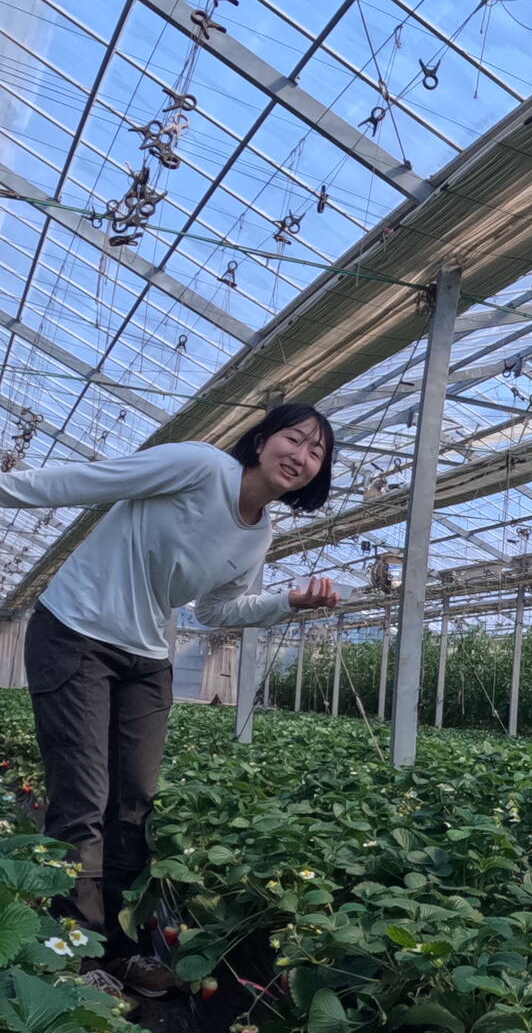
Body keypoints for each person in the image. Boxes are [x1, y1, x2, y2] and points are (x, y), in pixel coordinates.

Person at [0, 404, 342, 994]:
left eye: (317, 453)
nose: (302, 457)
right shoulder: (200, 467)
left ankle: (121, 950)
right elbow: (88, 481)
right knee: (83, 799)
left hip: (147, 656)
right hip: (76, 631)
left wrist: (287, 602)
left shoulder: (259, 532)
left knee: (134, 803)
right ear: (262, 439)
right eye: (294, 439)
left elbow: (214, 610)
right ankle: (76, 957)